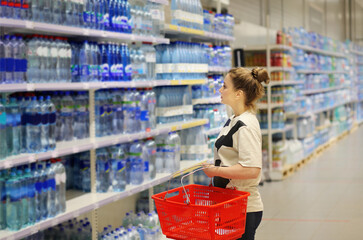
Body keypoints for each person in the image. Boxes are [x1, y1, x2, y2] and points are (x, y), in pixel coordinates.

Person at [202, 67, 270, 240]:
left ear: (238, 94)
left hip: (244, 209)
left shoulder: (246, 125)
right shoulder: (233, 120)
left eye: (224, 86)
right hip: (229, 205)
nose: (220, 90)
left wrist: (215, 172)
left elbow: (251, 169)